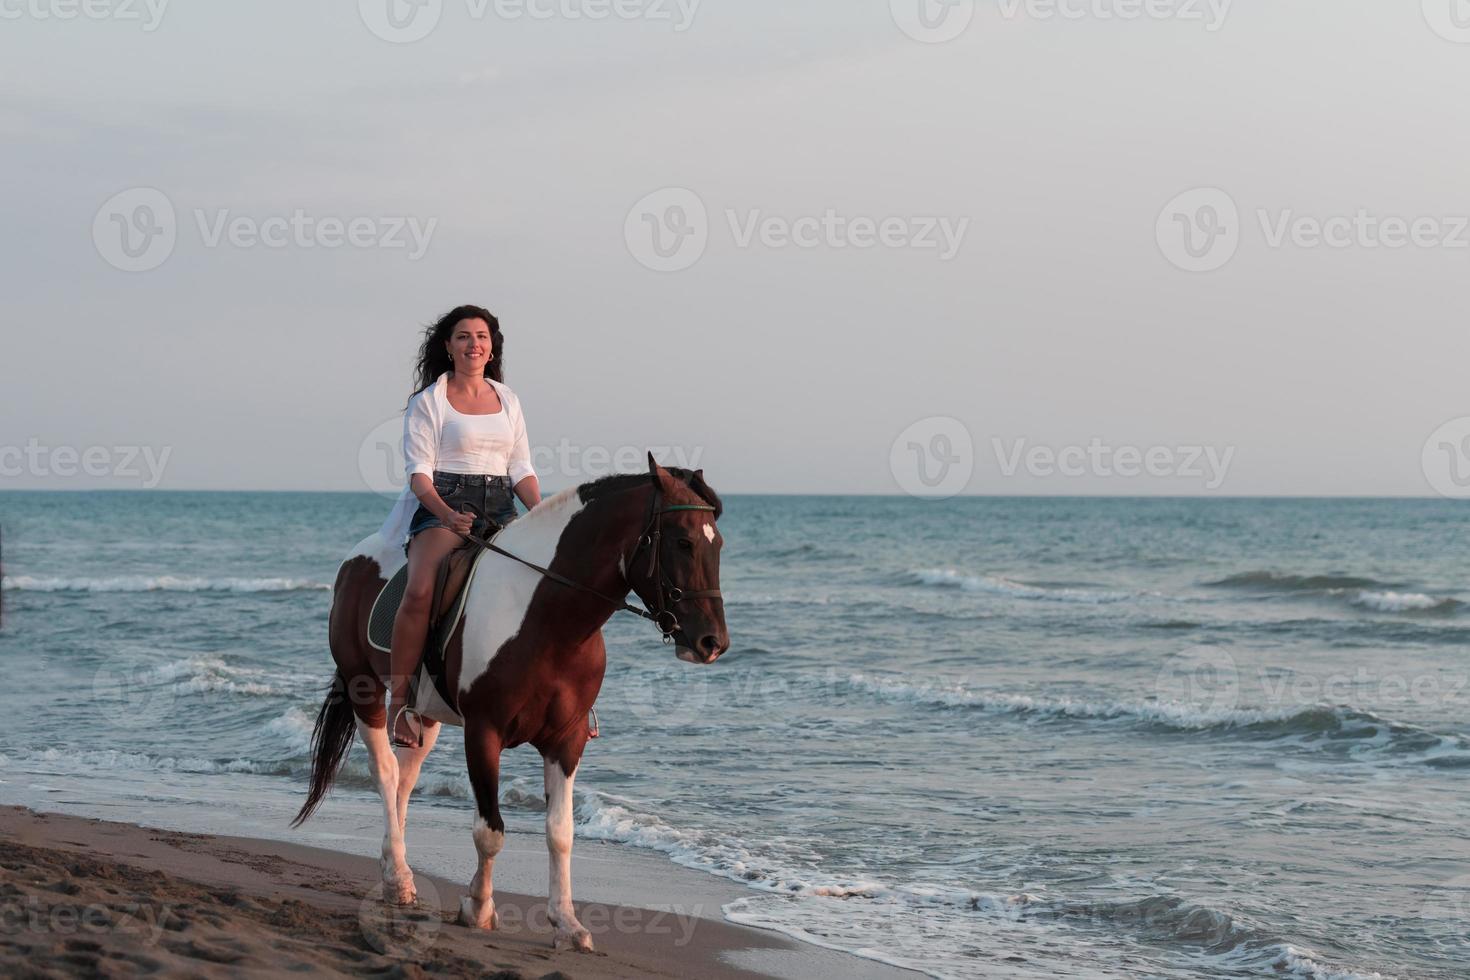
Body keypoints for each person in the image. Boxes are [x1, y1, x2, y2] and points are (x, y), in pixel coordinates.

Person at [376, 305, 541, 748]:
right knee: (421, 589)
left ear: (492, 346)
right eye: (464, 336)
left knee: (553, 580)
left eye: (482, 336)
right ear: (448, 347)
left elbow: (520, 466)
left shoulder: (508, 399)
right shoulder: (428, 401)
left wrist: (541, 514)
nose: (474, 344)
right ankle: (400, 704)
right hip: (443, 504)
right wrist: (446, 513)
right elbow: (419, 475)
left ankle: (572, 702)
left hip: (501, 504)